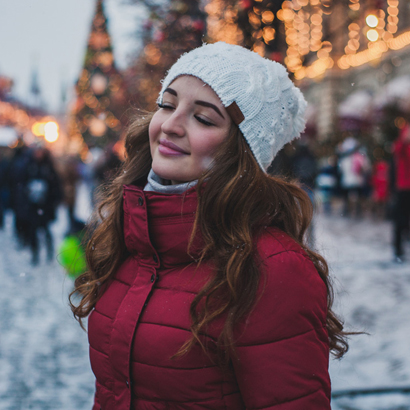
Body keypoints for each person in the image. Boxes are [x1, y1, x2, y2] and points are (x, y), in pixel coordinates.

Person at [71, 42, 350, 409]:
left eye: (203, 118)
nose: (170, 125)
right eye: (167, 105)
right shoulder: (132, 235)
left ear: (241, 150)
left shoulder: (273, 268)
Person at [392, 123, 410, 262]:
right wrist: (404, 140)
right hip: (403, 187)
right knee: (400, 220)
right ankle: (398, 250)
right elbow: (397, 149)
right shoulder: (402, 144)